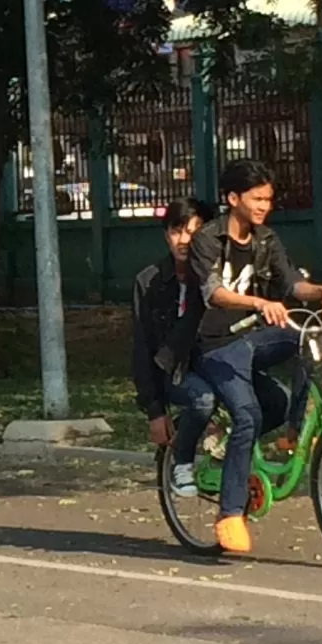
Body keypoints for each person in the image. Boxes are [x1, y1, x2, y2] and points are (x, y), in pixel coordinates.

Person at [188, 160, 322, 555]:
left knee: (306, 343)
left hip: (253, 339)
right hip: (215, 345)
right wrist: (259, 303)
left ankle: (294, 431)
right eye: (256, 198)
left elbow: (291, 283)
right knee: (249, 416)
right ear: (233, 198)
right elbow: (213, 293)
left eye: (268, 199)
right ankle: (230, 513)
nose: (264, 206)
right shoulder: (207, 240)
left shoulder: (266, 240)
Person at [131, 196, 214, 498]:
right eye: (177, 231)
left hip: (215, 363)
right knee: (202, 400)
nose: (184, 241)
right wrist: (155, 410)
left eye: (194, 231)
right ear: (166, 234)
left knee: (274, 401)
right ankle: (181, 461)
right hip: (174, 372)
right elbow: (142, 347)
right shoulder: (149, 281)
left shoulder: (214, 277)